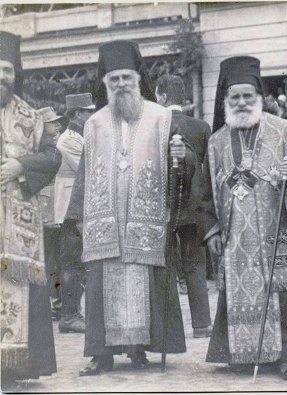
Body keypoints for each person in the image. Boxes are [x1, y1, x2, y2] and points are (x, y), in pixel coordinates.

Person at [65, 40, 193, 375]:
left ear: (138, 79)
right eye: (114, 79)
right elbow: (84, 172)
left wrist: (183, 158)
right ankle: (101, 355)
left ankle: (140, 352)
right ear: (105, 83)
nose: (121, 84)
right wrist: (77, 215)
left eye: (126, 78)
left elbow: (183, 161)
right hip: (103, 221)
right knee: (99, 287)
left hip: (145, 219)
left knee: (145, 283)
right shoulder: (94, 123)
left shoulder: (161, 118)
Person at [203, 56, 287, 380]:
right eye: (234, 97)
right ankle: (241, 352)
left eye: (247, 96)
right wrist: (212, 231)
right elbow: (205, 191)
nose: (241, 102)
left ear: (260, 98)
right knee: (238, 290)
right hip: (236, 236)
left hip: (276, 226)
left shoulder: (282, 130)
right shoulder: (216, 140)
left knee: (284, 289)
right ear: (225, 100)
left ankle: (286, 357)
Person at [0, 31, 58, 387]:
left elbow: (52, 156)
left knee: (17, 289)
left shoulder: (32, 116)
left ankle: (16, 368)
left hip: (18, 229)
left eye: (6, 70)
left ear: (15, 74)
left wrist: (21, 165)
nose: (0, 77)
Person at [155, 74, 213, 338]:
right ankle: (201, 325)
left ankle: (169, 329)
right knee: (194, 264)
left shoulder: (156, 124)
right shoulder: (201, 127)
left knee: (165, 264)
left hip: (163, 206)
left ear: (162, 96)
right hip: (192, 205)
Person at [56, 93, 96, 334]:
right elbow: (88, 167)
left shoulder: (79, 136)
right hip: (71, 208)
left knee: (77, 262)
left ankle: (72, 313)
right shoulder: (69, 140)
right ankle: (69, 315)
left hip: (78, 205)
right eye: (88, 111)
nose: (91, 115)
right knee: (71, 262)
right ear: (78, 114)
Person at [37, 107, 67, 321]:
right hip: (48, 211)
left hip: (53, 209)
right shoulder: (45, 147)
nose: (57, 125)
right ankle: (54, 304)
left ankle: (55, 303)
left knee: (53, 260)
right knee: (52, 260)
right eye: (52, 122)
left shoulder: (53, 145)